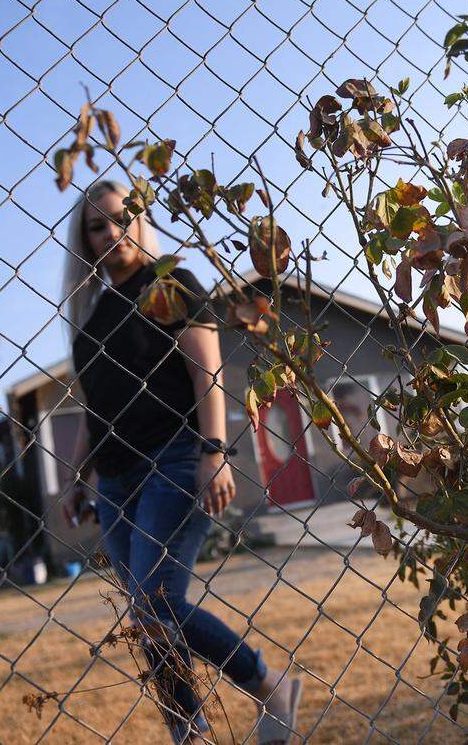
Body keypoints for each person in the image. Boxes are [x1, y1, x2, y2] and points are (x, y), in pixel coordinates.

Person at [59, 180, 301, 743]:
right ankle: (189, 734)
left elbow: (208, 375)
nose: (112, 233)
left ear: (140, 221)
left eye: (122, 219)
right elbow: (94, 413)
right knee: (150, 625)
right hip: (115, 484)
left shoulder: (173, 285)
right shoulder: (89, 322)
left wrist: (214, 452)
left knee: (156, 602)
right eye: (98, 226)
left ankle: (270, 686)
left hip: (175, 461)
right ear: (86, 240)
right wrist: (75, 478)